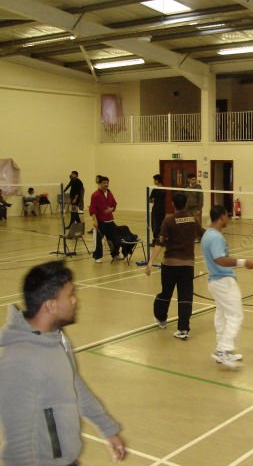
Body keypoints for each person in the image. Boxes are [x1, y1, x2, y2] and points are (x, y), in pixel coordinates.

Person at [0, 261, 126, 465]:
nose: (75, 301)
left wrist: (107, 429)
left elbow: (74, 384)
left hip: (68, 460)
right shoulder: (19, 361)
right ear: (50, 305)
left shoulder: (56, 338)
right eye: (70, 295)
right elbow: (17, 444)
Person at [202, 205, 253, 369]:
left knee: (222, 315)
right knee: (235, 315)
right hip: (223, 281)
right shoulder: (216, 238)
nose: (229, 218)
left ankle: (223, 349)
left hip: (214, 281)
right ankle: (223, 350)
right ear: (221, 217)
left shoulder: (207, 234)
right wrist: (243, 262)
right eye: (227, 215)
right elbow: (220, 260)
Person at [146, 193, 204, 340]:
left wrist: (151, 261)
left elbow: (160, 242)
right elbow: (203, 234)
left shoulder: (169, 221)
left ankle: (161, 318)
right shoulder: (192, 219)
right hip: (187, 265)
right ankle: (183, 329)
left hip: (170, 265)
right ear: (185, 204)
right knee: (185, 297)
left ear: (173, 204)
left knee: (166, 293)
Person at [89, 176, 120, 263]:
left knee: (114, 238)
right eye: (104, 183)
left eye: (107, 183)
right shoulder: (95, 195)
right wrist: (95, 221)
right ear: (99, 184)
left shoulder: (110, 193)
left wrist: (112, 209)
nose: (106, 184)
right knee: (98, 240)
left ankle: (115, 254)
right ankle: (98, 256)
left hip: (110, 221)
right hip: (100, 222)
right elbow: (92, 209)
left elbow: (114, 204)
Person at [149, 174, 167, 246]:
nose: (154, 181)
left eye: (154, 180)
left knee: (155, 225)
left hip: (156, 209)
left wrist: (153, 200)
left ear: (157, 180)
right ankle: (161, 240)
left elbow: (150, 200)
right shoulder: (164, 189)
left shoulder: (155, 190)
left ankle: (156, 241)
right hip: (162, 209)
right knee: (161, 225)